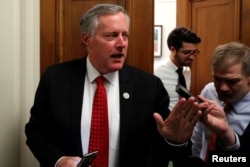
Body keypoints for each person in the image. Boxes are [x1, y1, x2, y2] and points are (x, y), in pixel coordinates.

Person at [25, 4, 203, 167]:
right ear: (87, 38)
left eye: (125, 35)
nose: (121, 44)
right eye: (111, 36)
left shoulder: (148, 86)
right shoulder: (56, 78)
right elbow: (35, 132)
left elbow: (164, 150)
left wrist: (175, 141)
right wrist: (58, 160)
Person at [192, 42, 250, 166]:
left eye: (232, 81)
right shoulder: (209, 91)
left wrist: (226, 135)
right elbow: (198, 136)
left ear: (248, 78)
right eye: (217, 79)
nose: (223, 88)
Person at [154, 27, 201, 110]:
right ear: (173, 50)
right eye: (186, 52)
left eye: (194, 52)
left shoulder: (187, 71)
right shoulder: (156, 71)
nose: (192, 57)